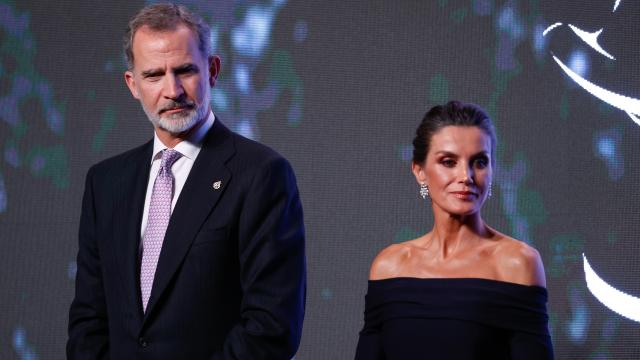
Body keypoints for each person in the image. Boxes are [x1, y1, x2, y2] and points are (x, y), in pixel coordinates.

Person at [67, 4, 305, 359]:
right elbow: (89, 320)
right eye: (153, 75)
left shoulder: (262, 175)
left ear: (212, 70)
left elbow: (272, 327)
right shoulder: (105, 183)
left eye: (184, 70)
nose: (172, 90)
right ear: (132, 84)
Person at [355, 101, 554, 359]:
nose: (466, 176)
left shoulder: (516, 263)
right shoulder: (389, 266)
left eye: (479, 162)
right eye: (448, 162)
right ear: (420, 171)